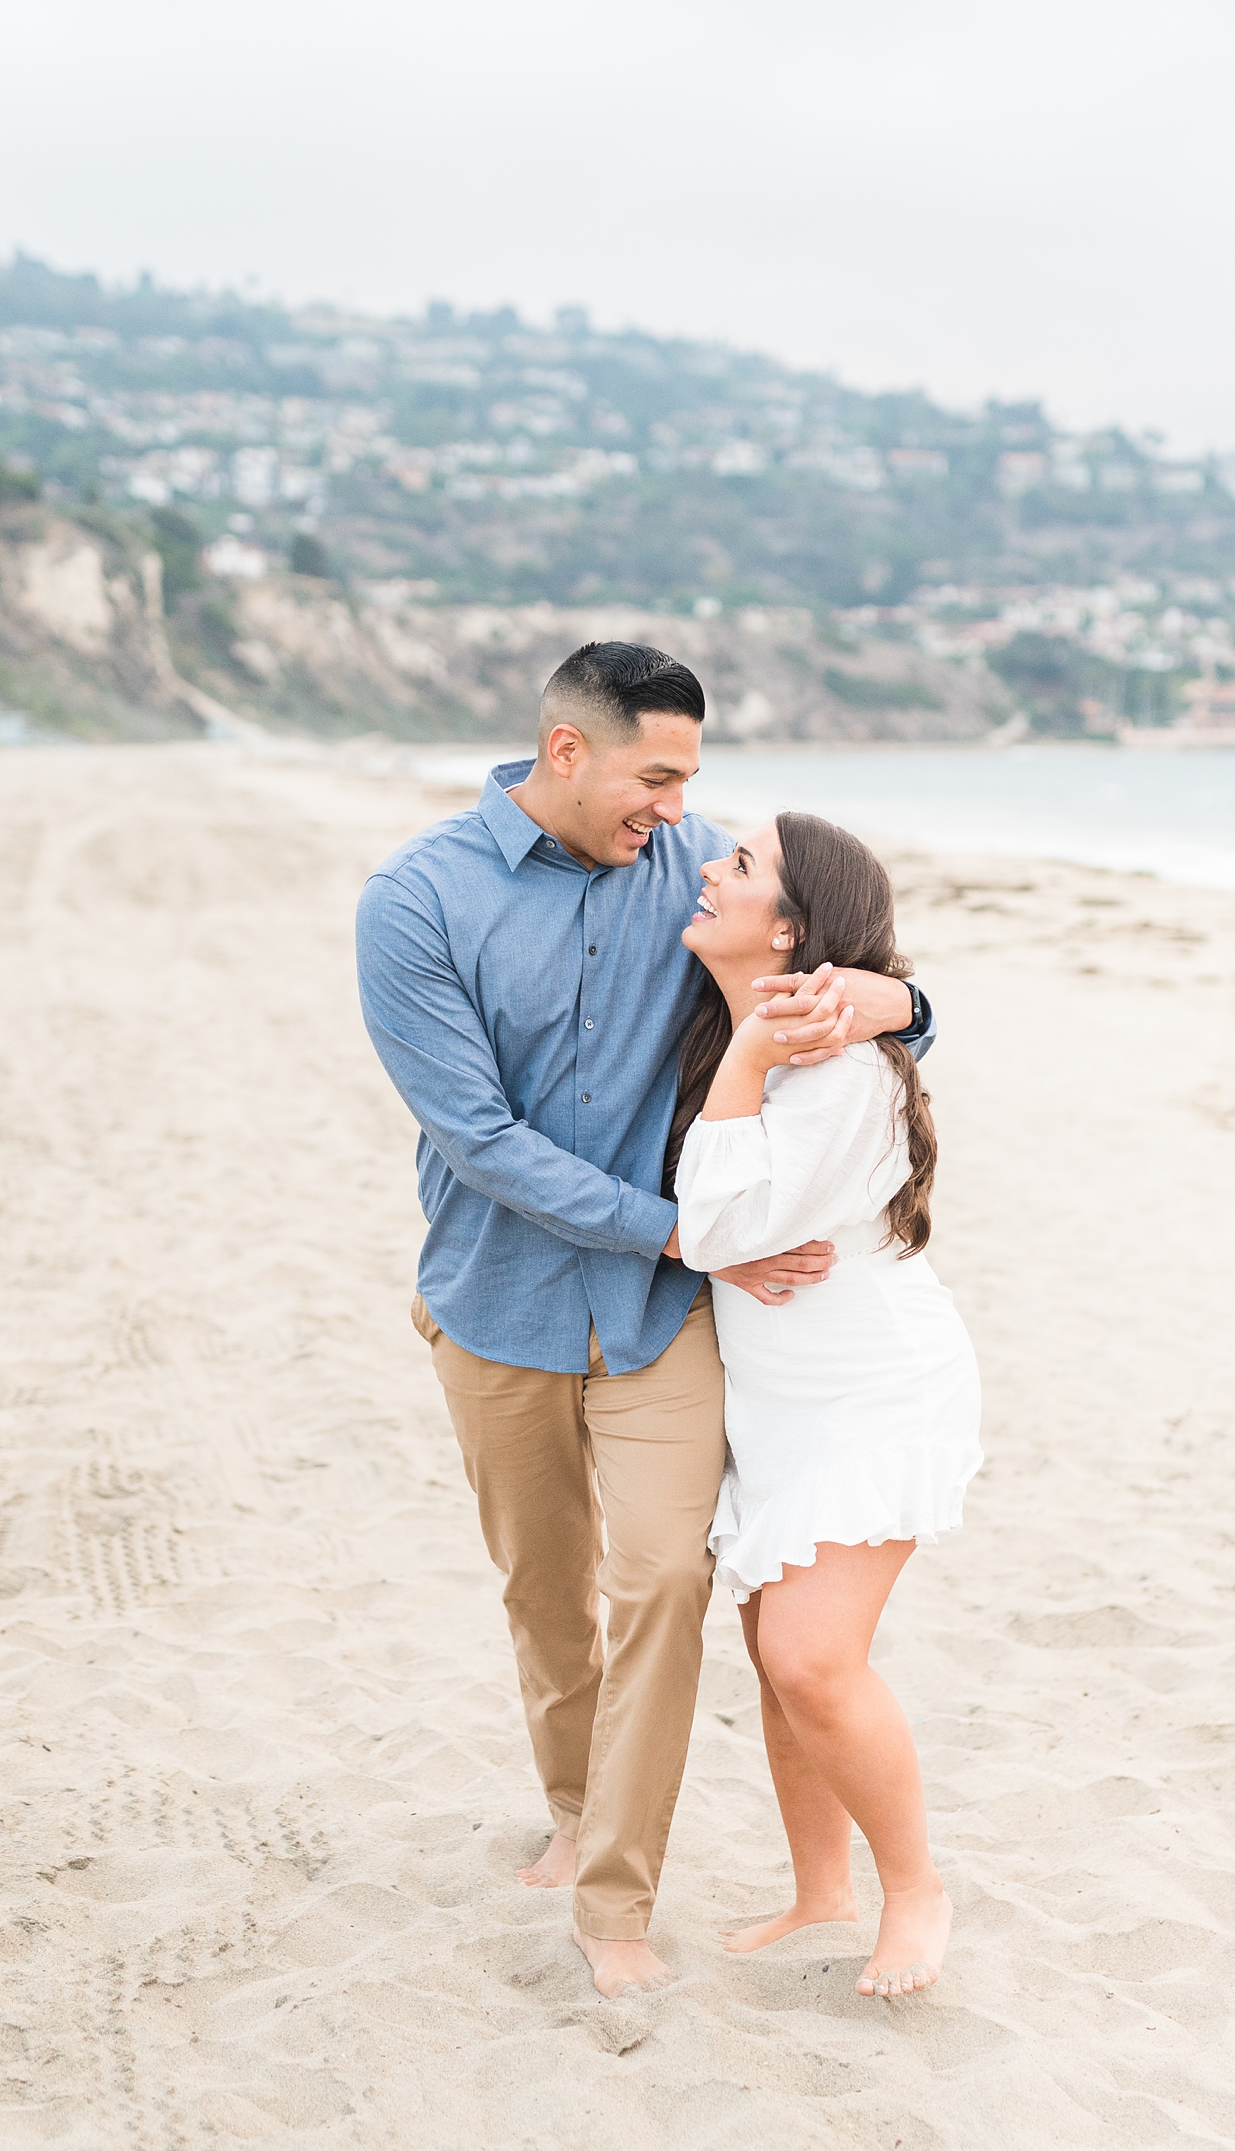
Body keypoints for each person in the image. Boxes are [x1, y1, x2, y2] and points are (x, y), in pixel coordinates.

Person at [355, 642, 936, 1998]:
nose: (680, 811)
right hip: (496, 1303)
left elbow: (840, 967)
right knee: (545, 1593)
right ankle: (572, 1813)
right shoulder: (418, 902)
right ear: (569, 750)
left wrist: (911, 998)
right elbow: (479, 1137)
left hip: (661, 1314)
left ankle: (617, 1901)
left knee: (666, 1579)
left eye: (694, 781)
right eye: (656, 776)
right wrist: (688, 1227)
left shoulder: (699, 872)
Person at [672, 811, 982, 1999]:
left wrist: (755, 1054)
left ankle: (916, 1890)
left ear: (793, 930)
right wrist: (753, 1043)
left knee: (812, 1654)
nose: (707, 866)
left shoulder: (839, 1072)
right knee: (774, 1651)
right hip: (782, 1400)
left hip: (871, 1389)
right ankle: (820, 1890)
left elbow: (718, 1228)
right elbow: (722, 1224)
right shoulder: (738, 1026)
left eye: (740, 865)